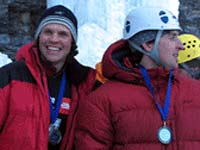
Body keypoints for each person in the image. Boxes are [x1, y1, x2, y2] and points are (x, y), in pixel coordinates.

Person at [75, 7, 200, 149]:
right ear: (147, 44)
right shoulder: (102, 102)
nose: (181, 46)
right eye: (172, 37)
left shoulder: (196, 92)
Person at [0, 5, 98, 150]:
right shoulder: (9, 77)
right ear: (38, 37)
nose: (54, 39)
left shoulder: (83, 83)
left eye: (63, 34)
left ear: (72, 42)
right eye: (48, 32)